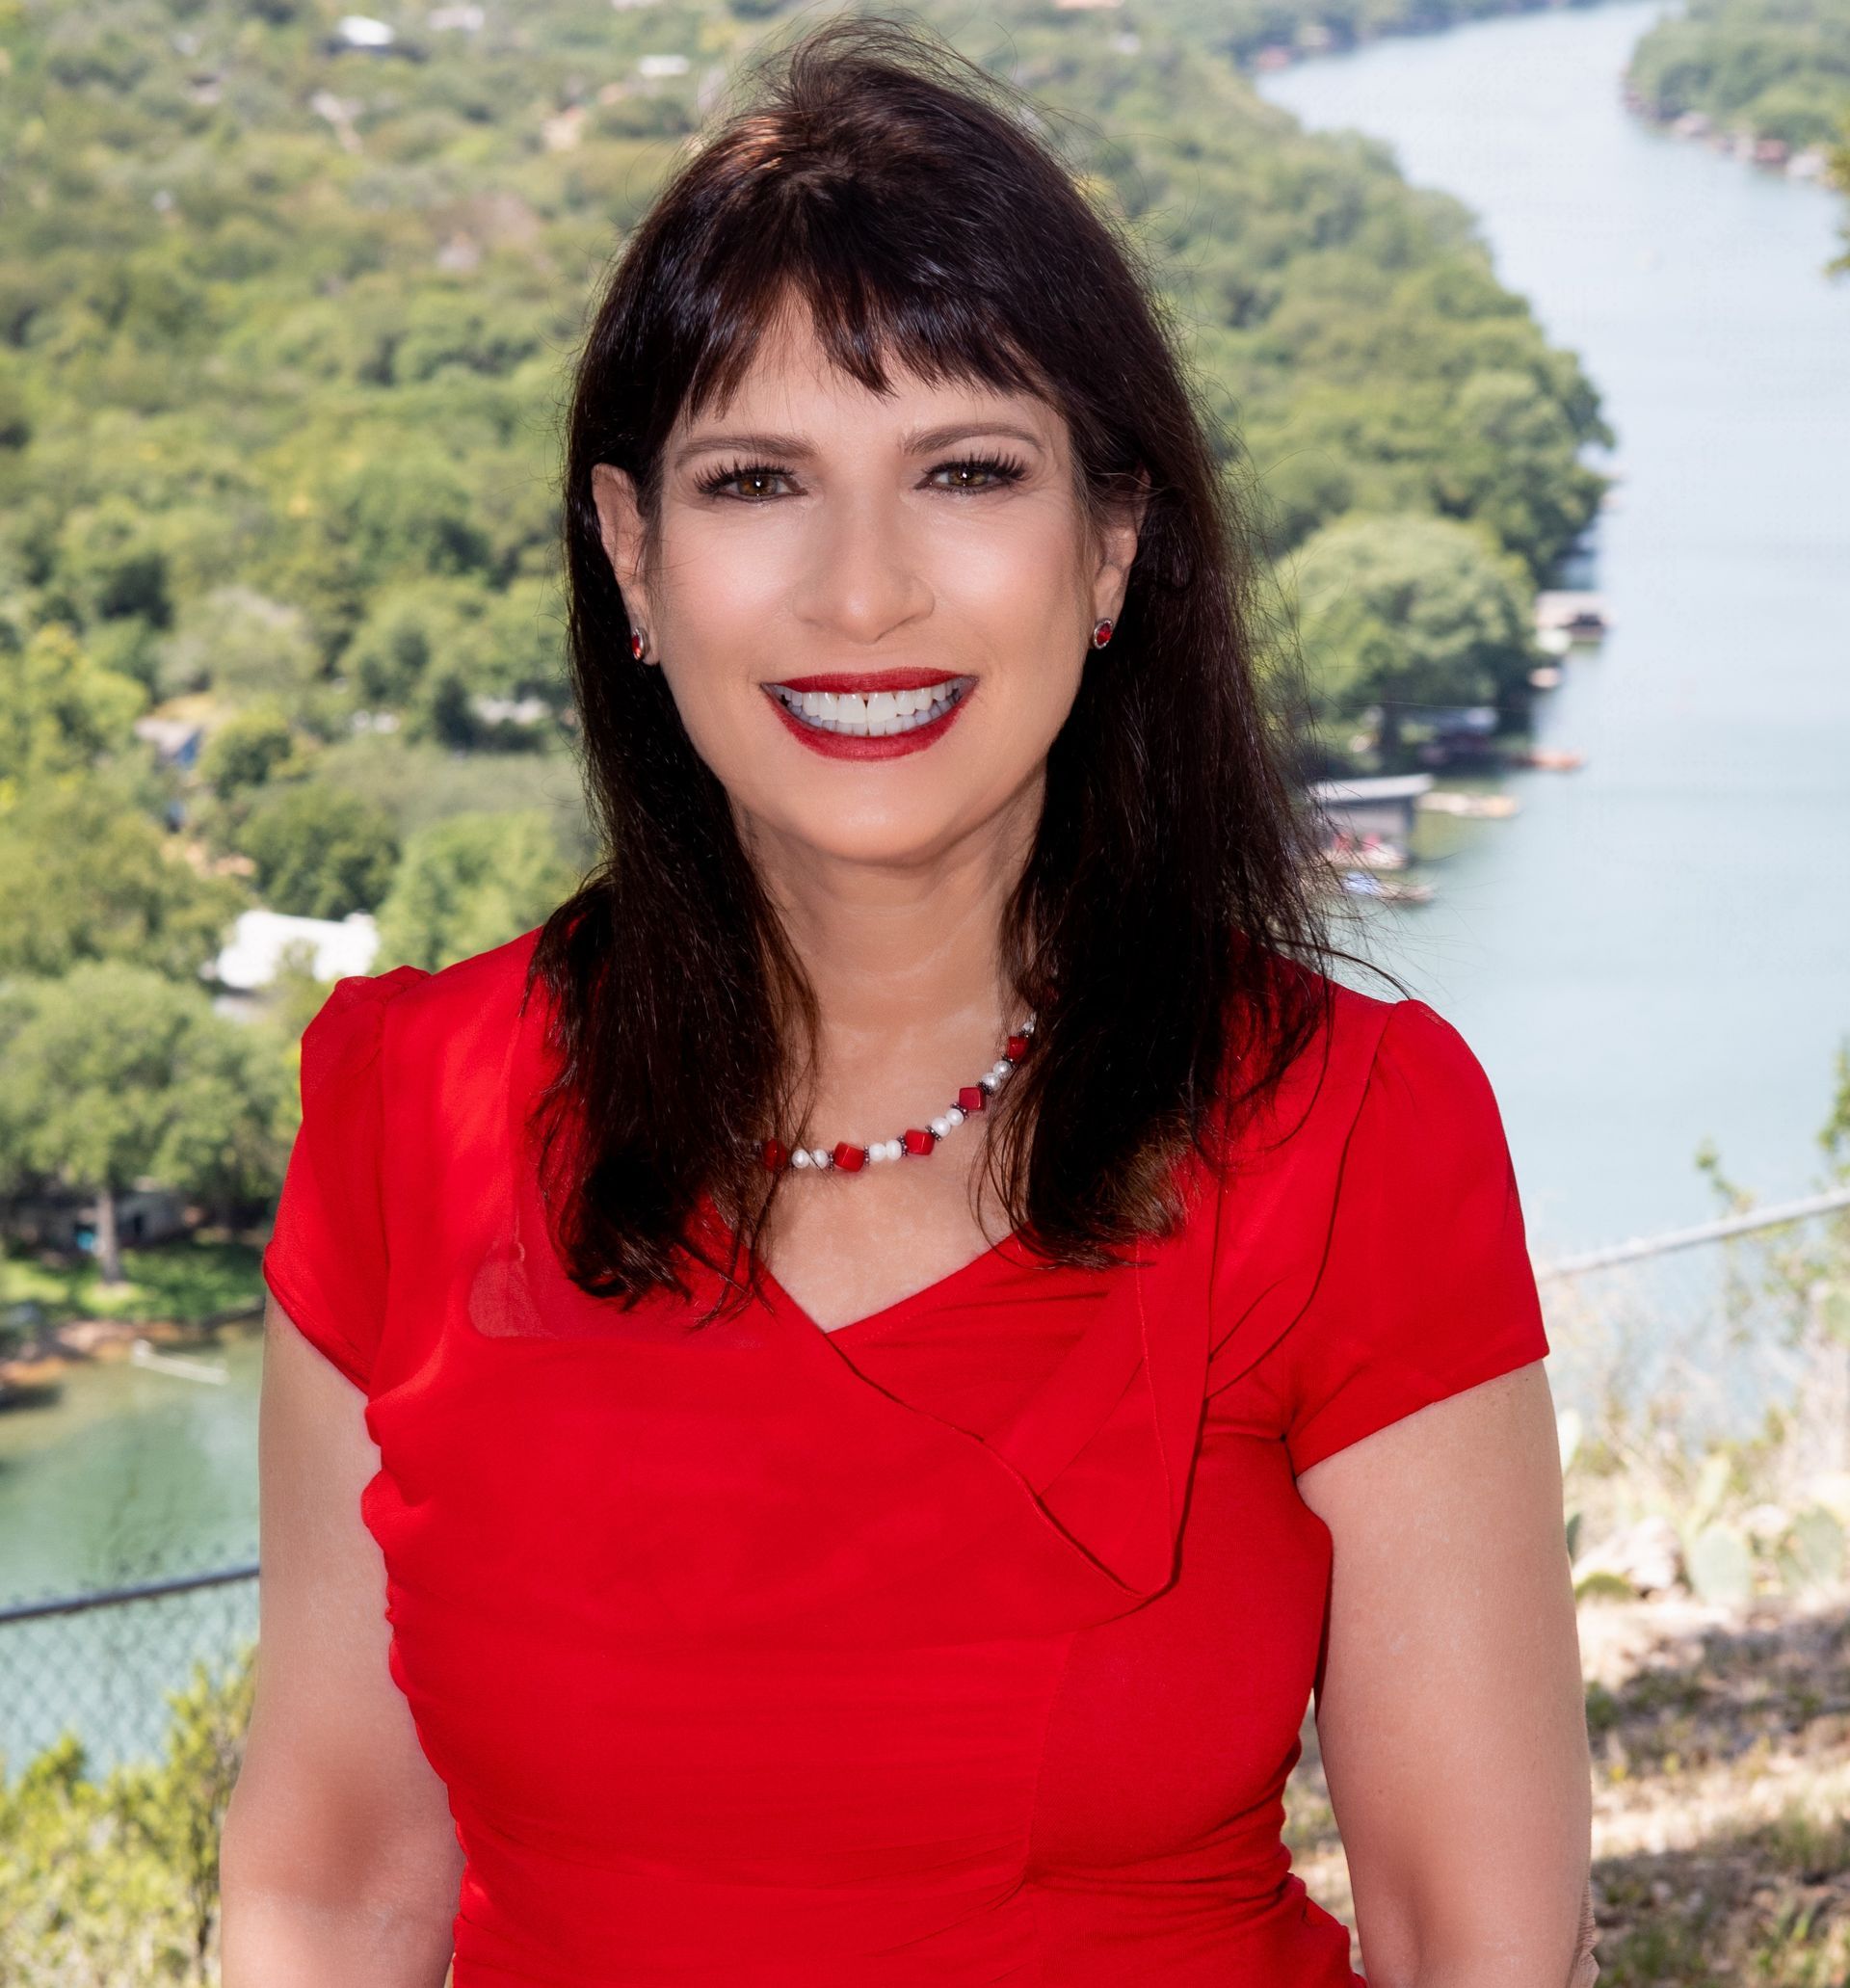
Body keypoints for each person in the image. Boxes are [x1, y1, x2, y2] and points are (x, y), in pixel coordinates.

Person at [221, 16, 1598, 1985]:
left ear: (1110, 542)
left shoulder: (1345, 1131)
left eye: (965, 470)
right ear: (633, 553)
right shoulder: (405, 1111)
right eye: (760, 479)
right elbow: (336, 1876)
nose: (863, 593)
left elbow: (1477, 1939)